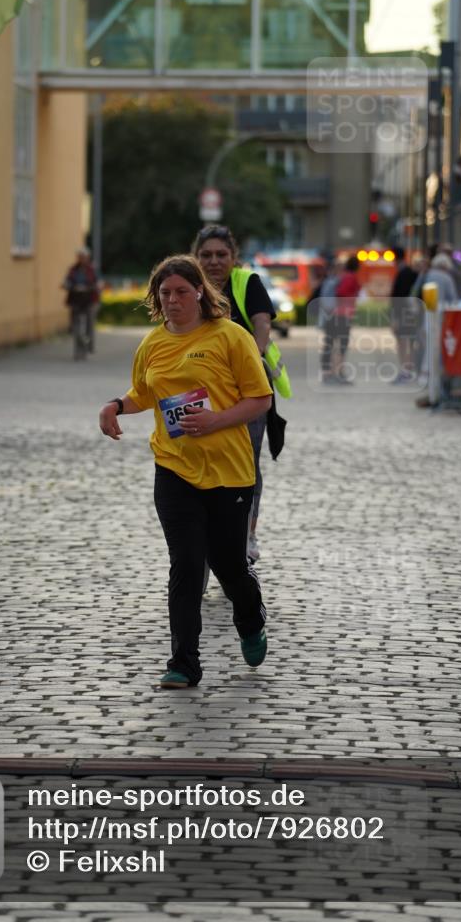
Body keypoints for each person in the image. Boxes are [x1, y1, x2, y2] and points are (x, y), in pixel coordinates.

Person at [98, 255, 272, 689]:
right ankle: (184, 663)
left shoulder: (230, 336)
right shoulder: (152, 344)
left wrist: (216, 420)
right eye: (165, 293)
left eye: (180, 291)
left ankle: (250, 618)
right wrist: (116, 405)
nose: (173, 300)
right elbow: (143, 392)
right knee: (187, 564)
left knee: (229, 566)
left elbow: (260, 398)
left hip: (229, 471)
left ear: (199, 292)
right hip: (174, 468)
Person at [192, 224, 290, 563]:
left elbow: (262, 325)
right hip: (203, 390)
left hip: (247, 391)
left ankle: (246, 534)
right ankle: (206, 532)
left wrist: (251, 362)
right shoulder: (190, 286)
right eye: (206, 255)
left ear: (234, 257)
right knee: (203, 459)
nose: (214, 261)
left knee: (246, 462)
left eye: (221, 254)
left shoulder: (247, 283)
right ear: (196, 257)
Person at [62, 247, 100, 353]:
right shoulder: (73, 269)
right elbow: (68, 280)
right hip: (76, 299)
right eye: (80, 257)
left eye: (84, 257)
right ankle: (77, 340)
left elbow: (97, 282)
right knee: (75, 323)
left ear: (87, 258)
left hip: (89, 299)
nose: (82, 259)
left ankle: (90, 345)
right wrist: (66, 284)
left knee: (90, 322)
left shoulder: (91, 269)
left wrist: (96, 286)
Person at [389, 247, 418, 383]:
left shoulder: (402, 274)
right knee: (409, 342)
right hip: (411, 312)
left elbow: (397, 297)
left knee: (403, 342)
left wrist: (394, 317)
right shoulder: (412, 272)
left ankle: (405, 370)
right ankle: (409, 369)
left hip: (402, 313)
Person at [331, 255, 361, 383]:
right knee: (342, 345)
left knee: (339, 344)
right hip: (343, 315)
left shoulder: (344, 276)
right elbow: (341, 293)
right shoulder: (351, 277)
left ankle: (337, 372)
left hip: (339, 314)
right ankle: (338, 372)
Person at [319, 259, 343, 383]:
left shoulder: (331, 281)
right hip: (331, 318)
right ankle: (327, 373)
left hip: (331, 317)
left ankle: (332, 372)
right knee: (329, 345)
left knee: (331, 345)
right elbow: (326, 302)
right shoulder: (332, 282)